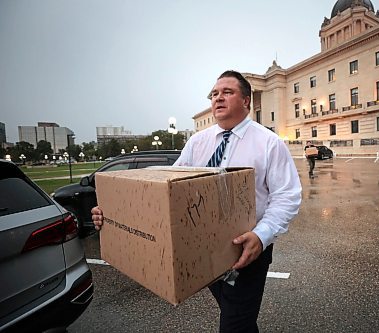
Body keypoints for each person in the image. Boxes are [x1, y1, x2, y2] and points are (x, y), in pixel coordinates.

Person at [91, 70, 302, 332]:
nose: (218, 98)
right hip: (206, 253)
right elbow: (166, 190)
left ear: (246, 101)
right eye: (214, 94)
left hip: (248, 251)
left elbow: (287, 196)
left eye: (227, 92)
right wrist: (112, 212)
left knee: (234, 323)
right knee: (236, 314)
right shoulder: (197, 143)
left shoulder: (269, 143)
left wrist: (261, 235)